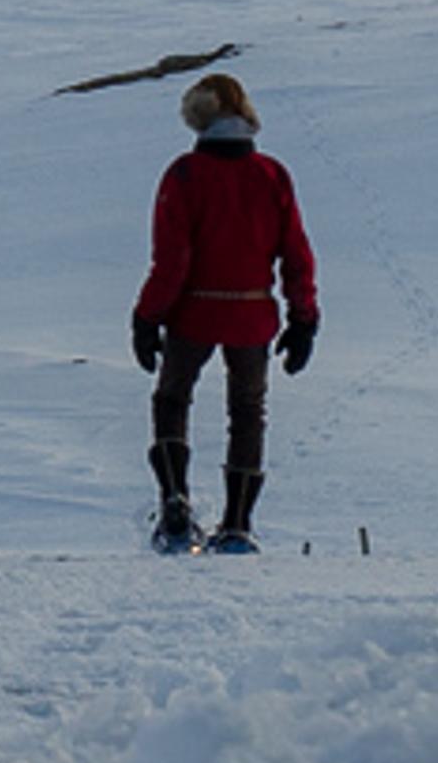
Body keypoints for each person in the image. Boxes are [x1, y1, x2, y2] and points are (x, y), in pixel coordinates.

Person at [130, 71, 317, 554]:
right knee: (248, 414)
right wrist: (304, 318)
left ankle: (174, 502)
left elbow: (171, 261)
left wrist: (147, 317)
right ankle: (237, 523)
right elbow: (296, 253)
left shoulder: (184, 175)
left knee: (172, 400)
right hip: (252, 314)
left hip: (192, 313)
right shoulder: (272, 175)